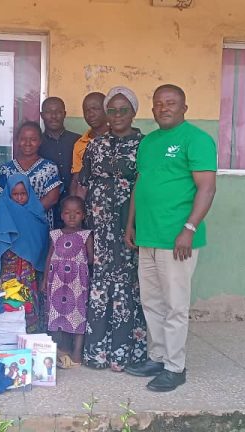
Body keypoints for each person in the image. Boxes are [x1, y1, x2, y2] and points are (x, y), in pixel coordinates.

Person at [124, 84, 217, 392]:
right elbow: (141, 184)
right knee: (151, 302)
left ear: (184, 108)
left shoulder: (197, 140)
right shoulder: (149, 142)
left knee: (175, 305)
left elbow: (207, 188)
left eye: (171, 103)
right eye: (159, 103)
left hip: (177, 240)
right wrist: (131, 224)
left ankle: (175, 367)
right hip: (148, 236)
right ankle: (157, 357)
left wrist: (189, 229)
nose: (164, 108)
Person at [79, 86, 147, 372]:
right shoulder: (95, 145)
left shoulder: (145, 145)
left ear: (133, 113)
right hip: (98, 225)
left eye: (123, 110)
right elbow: (83, 185)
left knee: (126, 283)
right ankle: (97, 353)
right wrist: (81, 229)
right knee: (100, 280)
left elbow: (147, 185)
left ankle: (124, 354)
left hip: (128, 224)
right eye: (112, 110)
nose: (117, 115)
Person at [0, 174, 49, 333]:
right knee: (9, 292)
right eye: (15, 194)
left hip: (28, 265)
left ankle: (30, 328)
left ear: (29, 193)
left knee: (28, 291)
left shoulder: (35, 210)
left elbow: (40, 235)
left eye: (23, 194)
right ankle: (9, 329)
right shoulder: (3, 207)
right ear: (9, 193)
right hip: (9, 262)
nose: (19, 197)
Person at [42, 196, 93, 367]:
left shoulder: (86, 235)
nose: (72, 216)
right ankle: (63, 349)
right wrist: (44, 280)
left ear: (83, 215)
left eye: (77, 213)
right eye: (67, 212)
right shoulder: (55, 234)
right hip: (56, 282)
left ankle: (77, 353)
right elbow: (49, 257)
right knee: (59, 315)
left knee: (77, 315)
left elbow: (91, 259)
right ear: (61, 215)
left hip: (77, 283)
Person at [0, 121, 62, 228]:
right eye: (23, 139)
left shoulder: (49, 167)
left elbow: (52, 198)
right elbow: (1, 199)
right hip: (13, 225)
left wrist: (27, 214)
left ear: (40, 141)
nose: (28, 143)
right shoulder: (6, 169)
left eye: (33, 139)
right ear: (17, 141)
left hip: (40, 226)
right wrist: (17, 215)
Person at [39, 97, 81, 226]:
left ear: (65, 114)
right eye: (48, 112)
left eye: (58, 112)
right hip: (46, 207)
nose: (53, 116)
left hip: (75, 209)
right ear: (42, 115)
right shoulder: (36, 143)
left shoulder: (78, 141)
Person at [70, 92, 108, 198]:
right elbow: (76, 179)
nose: (90, 114)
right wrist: (73, 202)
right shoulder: (80, 143)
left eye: (95, 108)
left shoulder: (117, 139)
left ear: (106, 110)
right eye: (86, 110)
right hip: (89, 200)